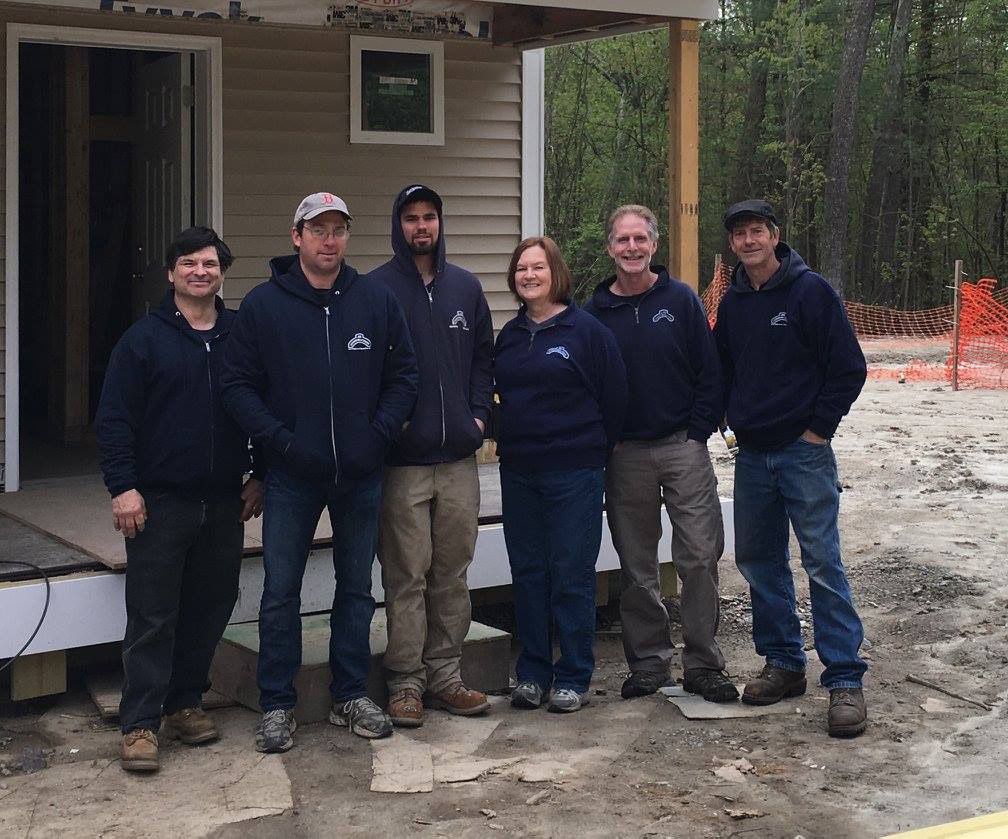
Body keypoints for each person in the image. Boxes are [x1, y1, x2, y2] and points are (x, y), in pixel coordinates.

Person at [221, 192, 418, 752]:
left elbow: (404, 376)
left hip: (360, 474)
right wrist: (279, 442)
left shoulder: (374, 301)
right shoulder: (264, 306)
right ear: (296, 236)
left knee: (356, 588)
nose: (329, 240)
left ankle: (350, 693)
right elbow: (237, 386)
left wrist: (377, 435)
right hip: (290, 476)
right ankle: (277, 704)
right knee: (280, 592)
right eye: (318, 229)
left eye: (338, 230)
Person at [96, 226, 264, 773]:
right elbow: (115, 420)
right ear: (170, 274)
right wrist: (123, 487)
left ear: (221, 273)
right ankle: (140, 723)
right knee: (152, 614)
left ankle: (185, 703)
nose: (199, 271)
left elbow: (265, 406)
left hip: (222, 501)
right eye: (188, 263)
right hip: (159, 502)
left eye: (210, 264)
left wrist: (259, 473)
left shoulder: (241, 336)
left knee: (209, 607)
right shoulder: (141, 341)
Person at [714, 199, 869, 737]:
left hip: (804, 453)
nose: (749, 240)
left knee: (822, 562)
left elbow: (849, 367)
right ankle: (783, 663)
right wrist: (724, 420)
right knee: (760, 561)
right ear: (732, 243)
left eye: (758, 230)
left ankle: (845, 678)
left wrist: (818, 429)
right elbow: (723, 367)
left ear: (775, 235)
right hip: (752, 456)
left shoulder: (811, 292)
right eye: (739, 233)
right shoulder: (732, 303)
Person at [583, 205, 737, 704]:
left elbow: (709, 371)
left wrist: (697, 432)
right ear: (610, 249)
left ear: (654, 245)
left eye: (639, 240)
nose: (631, 248)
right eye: (622, 241)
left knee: (698, 556)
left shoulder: (681, 300)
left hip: (682, 447)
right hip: (624, 454)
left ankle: (703, 664)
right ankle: (648, 662)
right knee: (637, 565)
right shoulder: (595, 312)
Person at [368, 185, 494, 727]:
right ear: (398, 226)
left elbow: (484, 358)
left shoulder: (465, 288)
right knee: (406, 575)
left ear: (441, 224)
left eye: (430, 218)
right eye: (412, 218)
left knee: (452, 572)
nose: (422, 227)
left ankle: (445, 676)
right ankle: (405, 684)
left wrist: (478, 417)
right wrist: (383, 429)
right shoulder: (375, 291)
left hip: (459, 462)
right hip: (402, 464)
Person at [494, 236, 627, 714]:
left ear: (556, 274)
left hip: (574, 473)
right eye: (521, 269)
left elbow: (615, 402)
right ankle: (532, 672)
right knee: (529, 573)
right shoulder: (509, 336)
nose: (529, 276)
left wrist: (589, 449)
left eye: (538, 268)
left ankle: (573, 674)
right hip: (520, 473)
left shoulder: (586, 332)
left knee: (571, 573)